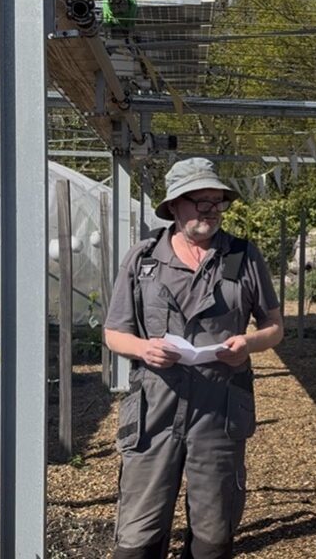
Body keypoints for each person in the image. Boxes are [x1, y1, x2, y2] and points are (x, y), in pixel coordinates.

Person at [103, 157, 284, 559]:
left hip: (219, 411)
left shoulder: (241, 256)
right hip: (154, 411)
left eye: (216, 204)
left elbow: (275, 326)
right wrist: (143, 348)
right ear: (175, 205)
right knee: (138, 534)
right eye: (200, 203)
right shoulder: (144, 260)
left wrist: (248, 344)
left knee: (214, 533)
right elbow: (114, 333)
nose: (210, 213)